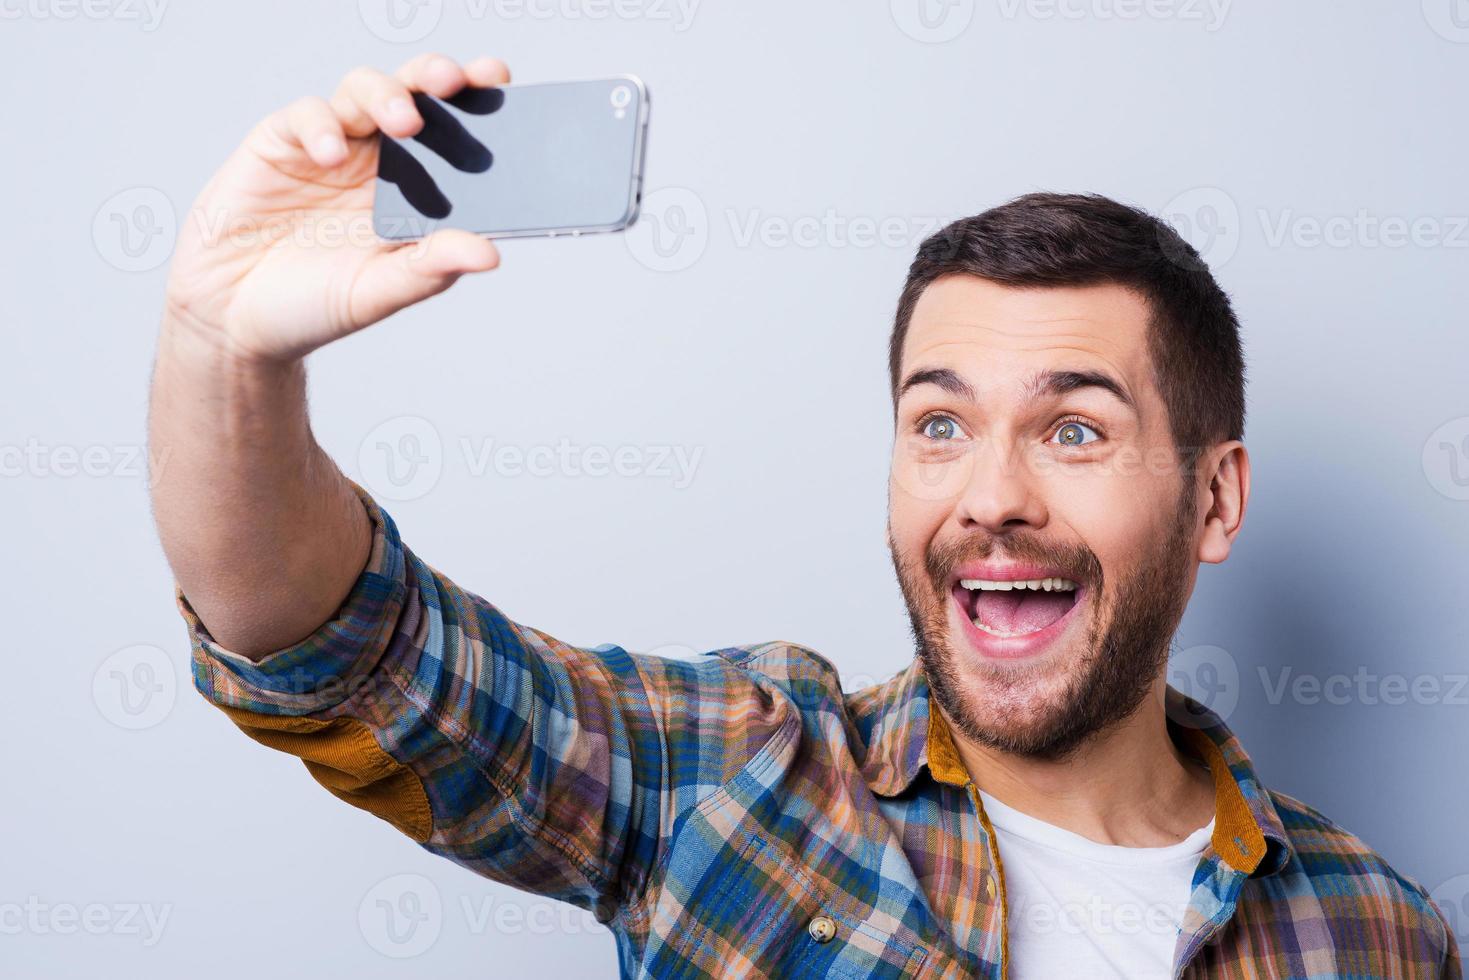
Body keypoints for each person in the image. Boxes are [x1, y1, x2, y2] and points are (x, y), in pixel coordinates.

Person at [149, 53, 1460, 979]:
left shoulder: (1377, 934)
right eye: (937, 424)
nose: (990, 499)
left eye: (1072, 429)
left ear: (1213, 498)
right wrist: (224, 352)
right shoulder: (733, 784)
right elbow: (337, 650)